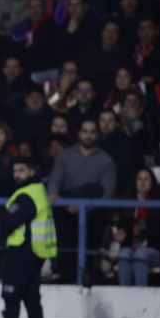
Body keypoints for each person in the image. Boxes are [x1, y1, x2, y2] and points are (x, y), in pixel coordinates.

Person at [48, 119, 117, 283]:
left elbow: (108, 195)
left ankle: (84, 289)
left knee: (87, 258)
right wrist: (53, 195)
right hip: (66, 215)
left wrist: (84, 209)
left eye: (92, 132)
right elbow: (55, 182)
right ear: (79, 134)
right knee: (65, 256)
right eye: (85, 131)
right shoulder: (65, 156)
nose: (88, 135)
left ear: (97, 135)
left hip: (93, 217)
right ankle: (67, 292)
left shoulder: (106, 161)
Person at [0, 157, 55, 318]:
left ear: (32, 172)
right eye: (15, 171)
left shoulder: (27, 194)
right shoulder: (39, 191)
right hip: (36, 251)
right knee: (31, 297)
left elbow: (7, 222)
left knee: (12, 295)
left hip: (23, 249)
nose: (17, 175)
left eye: (21, 170)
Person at [113, 168, 160, 287]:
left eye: (146, 179)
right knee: (123, 253)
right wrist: (122, 234)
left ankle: (141, 294)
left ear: (152, 182)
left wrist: (143, 233)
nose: (143, 182)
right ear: (135, 181)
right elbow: (123, 228)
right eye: (140, 179)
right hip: (131, 247)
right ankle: (123, 294)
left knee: (140, 254)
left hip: (154, 250)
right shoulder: (128, 202)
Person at [77, 19, 128, 100]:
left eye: (114, 32)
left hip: (114, 97)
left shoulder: (124, 55)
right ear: (102, 32)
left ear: (119, 35)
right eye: (107, 30)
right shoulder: (89, 50)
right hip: (88, 95)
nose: (110, 35)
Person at [51, 0, 100, 65]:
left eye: (77, 5)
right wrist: (68, 33)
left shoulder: (95, 26)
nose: (73, 8)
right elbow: (57, 54)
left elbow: (91, 53)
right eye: (71, 4)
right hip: (66, 68)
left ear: (86, 7)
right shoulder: (64, 25)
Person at [98, 108, 135, 193]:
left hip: (118, 190)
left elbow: (122, 170)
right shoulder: (94, 142)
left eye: (110, 121)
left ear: (116, 123)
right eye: (102, 120)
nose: (106, 124)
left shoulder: (124, 141)